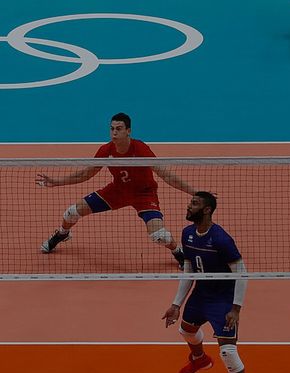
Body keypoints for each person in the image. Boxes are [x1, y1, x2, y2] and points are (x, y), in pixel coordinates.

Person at [37, 113, 194, 267]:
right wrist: (57, 182)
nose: (114, 132)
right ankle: (62, 234)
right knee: (71, 213)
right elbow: (85, 174)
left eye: (119, 129)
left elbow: (166, 175)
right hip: (117, 192)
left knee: (159, 236)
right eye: (112, 129)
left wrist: (194, 192)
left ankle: (177, 251)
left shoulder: (140, 149)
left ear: (128, 131)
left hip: (144, 195)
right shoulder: (106, 150)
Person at [162, 192, 257, 373]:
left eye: (194, 203)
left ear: (206, 210)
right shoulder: (187, 234)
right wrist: (176, 304)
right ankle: (199, 358)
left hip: (223, 300)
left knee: (229, 354)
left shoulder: (221, 239)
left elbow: (242, 272)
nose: (188, 205)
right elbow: (188, 269)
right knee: (186, 330)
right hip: (201, 295)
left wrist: (236, 309)